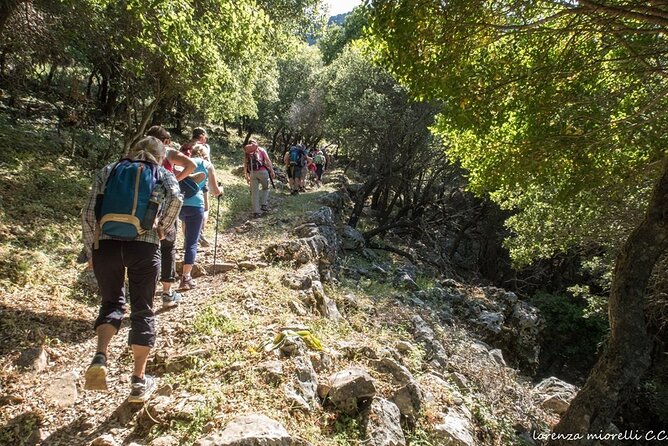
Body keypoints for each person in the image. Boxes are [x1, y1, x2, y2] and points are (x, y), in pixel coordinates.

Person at [82, 136, 183, 402]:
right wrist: (162, 227)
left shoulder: (110, 170)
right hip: (144, 245)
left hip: (105, 245)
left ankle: (100, 356)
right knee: (142, 309)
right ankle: (138, 381)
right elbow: (175, 198)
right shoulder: (161, 173)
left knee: (111, 303)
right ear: (160, 155)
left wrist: (90, 248)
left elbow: (89, 213)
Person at [145, 126, 199, 308]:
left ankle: (146, 290)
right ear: (166, 141)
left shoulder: (139, 152)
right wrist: (175, 178)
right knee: (168, 246)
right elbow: (192, 165)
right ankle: (167, 293)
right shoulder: (168, 152)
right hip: (166, 204)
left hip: (143, 205)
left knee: (146, 246)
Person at [179, 143, 222, 290]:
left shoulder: (184, 161)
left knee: (174, 239)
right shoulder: (207, 165)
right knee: (192, 242)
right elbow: (215, 190)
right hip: (195, 205)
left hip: (178, 203)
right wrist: (220, 190)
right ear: (205, 153)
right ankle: (186, 278)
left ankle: (167, 276)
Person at [243, 139, 275, 218]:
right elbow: (268, 160)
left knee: (254, 193)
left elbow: (245, 164)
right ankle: (264, 204)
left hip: (252, 173)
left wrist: (246, 176)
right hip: (263, 172)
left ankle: (256, 212)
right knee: (266, 188)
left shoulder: (247, 152)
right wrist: (272, 170)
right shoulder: (261, 149)